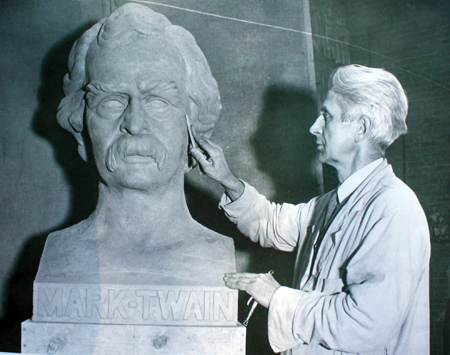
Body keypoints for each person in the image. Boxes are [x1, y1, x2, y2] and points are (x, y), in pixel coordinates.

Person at [190, 64, 430, 354]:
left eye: (327, 116)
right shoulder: (334, 203)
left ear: (361, 128)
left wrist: (277, 297)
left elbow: (363, 324)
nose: (314, 127)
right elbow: (271, 223)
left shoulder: (394, 209)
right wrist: (225, 177)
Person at [36, 3, 235, 287]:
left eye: (158, 100)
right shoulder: (59, 256)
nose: (134, 123)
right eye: (112, 100)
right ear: (81, 124)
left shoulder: (215, 257)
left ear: (193, 122)